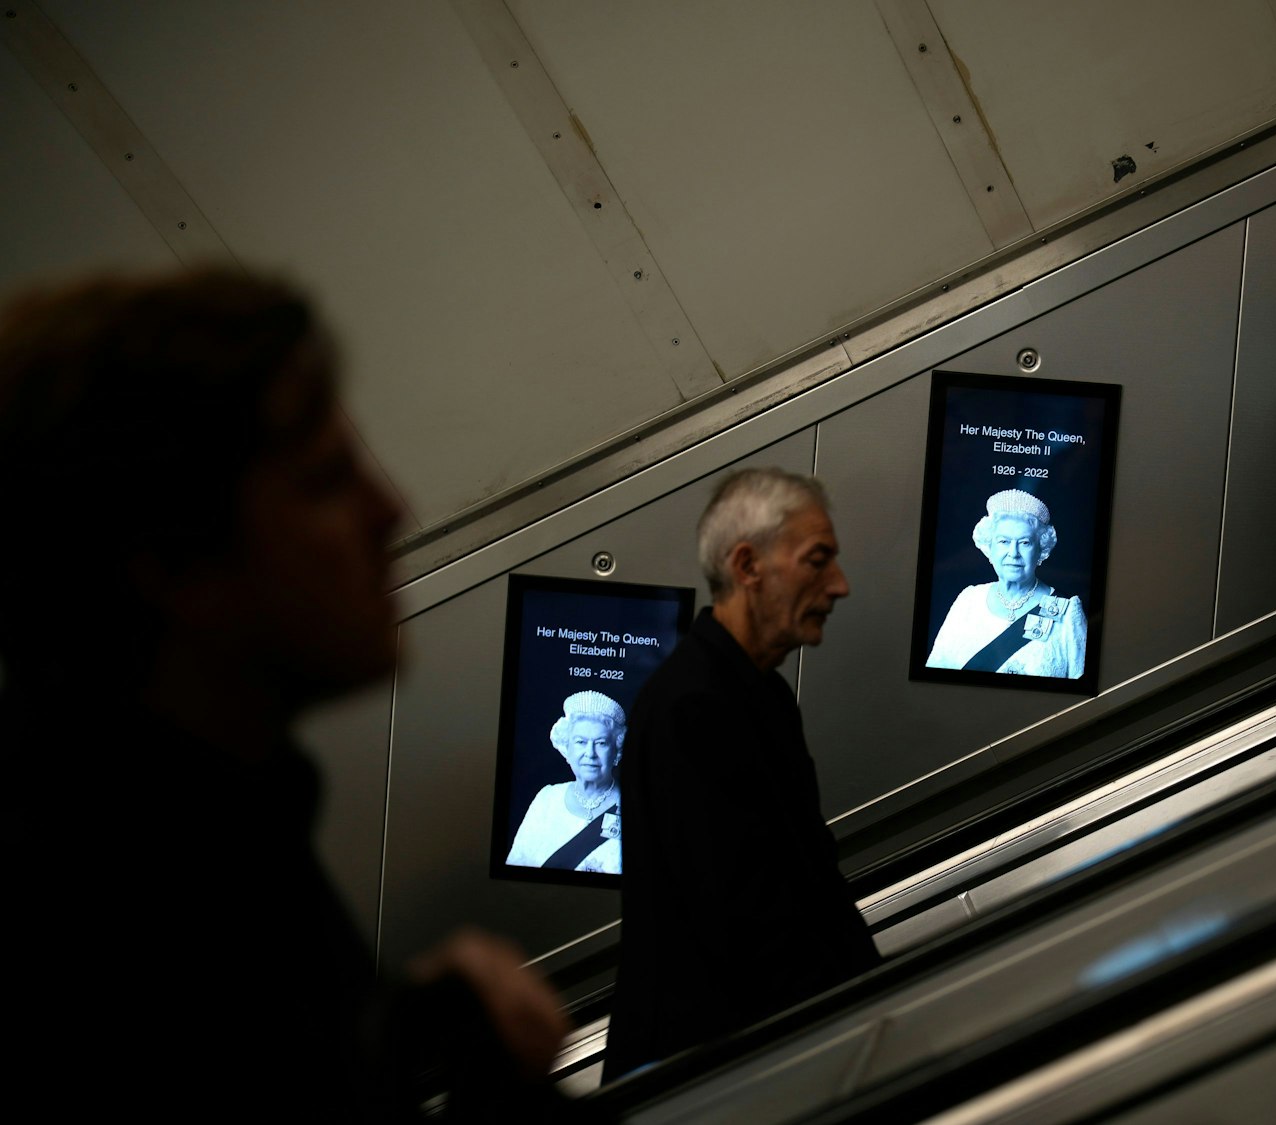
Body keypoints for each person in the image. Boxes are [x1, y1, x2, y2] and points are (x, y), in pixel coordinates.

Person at [0, 271, 576, 1120]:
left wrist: (420, 1023)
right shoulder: (119, 917)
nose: (391, 509)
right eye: (324, 480)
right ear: (174, 563)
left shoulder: (209, 827)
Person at [606, 468, 878, 1078]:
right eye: (818, 561)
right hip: (711, 1072)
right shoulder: (692, 706)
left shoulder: (756, 693)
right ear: (748, 565)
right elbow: (745, 921)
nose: (840, 585)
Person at [924, 489, 1087, 678]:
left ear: (1040, 549)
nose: (1013, 553)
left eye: (1024, 543)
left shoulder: (1067, 611)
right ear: (989, 548)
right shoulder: (968, 600)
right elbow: (935, 674)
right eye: (1003, 541)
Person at [506, 690, 625, 873]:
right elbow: (516, 869)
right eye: (580, 742)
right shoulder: (547, 799)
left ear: (616, 751)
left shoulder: (635, 804)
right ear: (567, 749)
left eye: (601, 743)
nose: (590, 753)